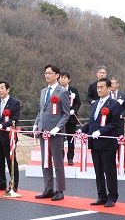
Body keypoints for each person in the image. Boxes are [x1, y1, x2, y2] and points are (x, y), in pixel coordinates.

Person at [80, 78, 121, 208]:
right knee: (98, 171)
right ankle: (101, 195)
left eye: (102, 87)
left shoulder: (114, 104)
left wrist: (101, 131)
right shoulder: (96, 103)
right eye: (98, 87)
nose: (99, 89)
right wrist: (83, 129)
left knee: (109, 171)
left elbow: (115, 123)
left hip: (107, 143)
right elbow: (92, 122)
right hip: (95, 142)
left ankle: (112, 196)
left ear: (109, 88)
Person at [34, 64, 70, 201]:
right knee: (45, 161)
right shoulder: (43, 91)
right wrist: (37, 123)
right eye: (45, 73)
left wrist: (57, 128)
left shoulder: (62, 92)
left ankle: (60, 190)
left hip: (55, 133)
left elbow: (66, 114)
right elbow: (41, 110)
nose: (47, 75)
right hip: (43, 131)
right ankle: (48, 188)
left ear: (57, 75)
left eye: (49, 73)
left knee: (58, 162)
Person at [0, 81, 21, 193]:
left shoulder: (15, 103)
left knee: (11, 161)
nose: (0, 90)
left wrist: (2, 125)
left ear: (8, 90)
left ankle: (13, 184)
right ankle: (1, 182)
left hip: (8, 136)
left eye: (2, 88)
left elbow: (15, 119)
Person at [59, 71, 81, 165]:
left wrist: (74, 110)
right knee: (60, 138)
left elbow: (78, 102)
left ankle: (70, 158)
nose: (63, 79)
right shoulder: (57, 89)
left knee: (70, 139)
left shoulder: (74, 90)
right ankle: (60, 156)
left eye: (65, 78)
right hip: (60, 118)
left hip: (71, 118)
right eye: (61, 77)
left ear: (68, 79)